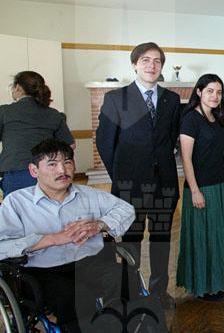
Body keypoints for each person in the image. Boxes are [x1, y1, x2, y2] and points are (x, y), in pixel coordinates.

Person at [0, 139, 135, 332]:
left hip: (89, 263)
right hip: (42, 272)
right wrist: (51, 239)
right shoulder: (17, 202)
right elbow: (2, 246)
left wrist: (99, 225)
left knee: (125, 278)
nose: (62, 170)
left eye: (67, 162)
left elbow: (127, 210)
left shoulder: (89, 195)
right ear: (34, 170)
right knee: (76, 297)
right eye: (52, 164)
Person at [96, 42, 181, 309]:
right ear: (134, 64)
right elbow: (105, 143)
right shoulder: (116, 98)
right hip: (129, 187)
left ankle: (158, 291)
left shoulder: (171, 100)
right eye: (145, 60)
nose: (151, 65)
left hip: (164, 184)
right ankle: (131, 291)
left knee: (161, 240)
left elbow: (170, 139)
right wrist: (120, 176)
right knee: (130, 241)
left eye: (157, 61)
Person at [176, 74, 224, 301]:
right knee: (203, 239)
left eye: (219, 92)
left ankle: (219, 281)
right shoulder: (190, 119)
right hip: (200, 188)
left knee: (218, 236)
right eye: (210, 91)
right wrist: (195, 191)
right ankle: (203, 285)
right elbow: (186, 159)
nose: (215, 96)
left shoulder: (217, 118)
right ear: (199, 92)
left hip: (218, 185)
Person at [0, 71, 75, 196]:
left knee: (16, 206)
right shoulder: (53, 114)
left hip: (16, 171)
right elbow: (70, 145)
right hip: (47, 171)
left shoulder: (4, 112)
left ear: (17, 87)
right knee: (49, 206)